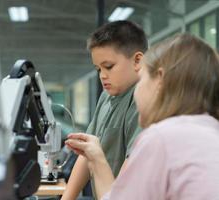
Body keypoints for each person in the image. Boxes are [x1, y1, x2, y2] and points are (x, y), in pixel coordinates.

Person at [65, 33, 219, 200]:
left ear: (159, 80)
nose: (137, 91)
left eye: (142, 79)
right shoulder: (209, 130)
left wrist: (97, 159)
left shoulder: (161, 138)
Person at [61, 20, 148, 200]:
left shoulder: (142, 100)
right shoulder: (107, 96)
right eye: (98, 69)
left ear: (137, 60)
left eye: (108, 67)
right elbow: (87, 153)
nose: (102, 75)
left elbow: (131, 171)